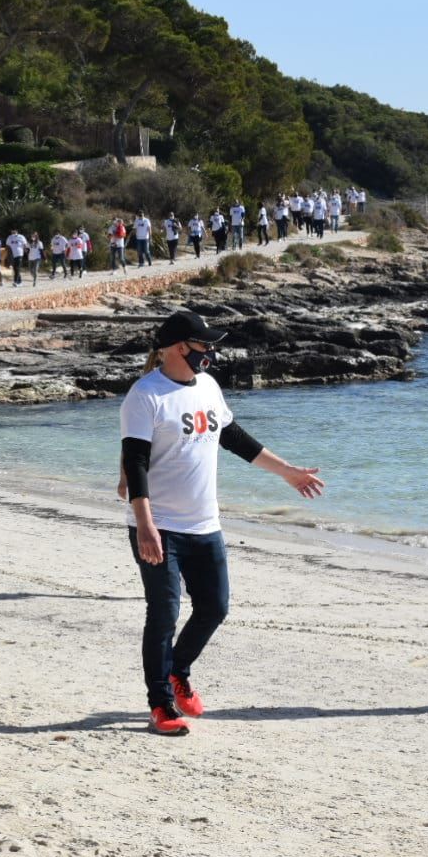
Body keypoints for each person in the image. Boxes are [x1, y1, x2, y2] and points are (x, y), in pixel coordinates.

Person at [118, 310, 325, 735]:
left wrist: (288, 471)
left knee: (215, 607)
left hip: (204, 524)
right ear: (180, 348)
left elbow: (233, 438)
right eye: (204, 345)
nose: (211, 351)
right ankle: (160, 702)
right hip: (159, 524)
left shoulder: (208, 387)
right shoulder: (145, 395)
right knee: (164, 611)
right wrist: (145, 523)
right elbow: (135, 461)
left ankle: (178, 670)